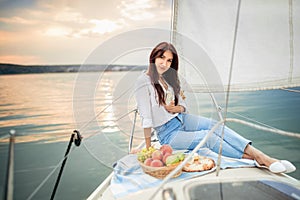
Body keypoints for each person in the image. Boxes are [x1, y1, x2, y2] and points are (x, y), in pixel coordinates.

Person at [134, 41, 296, 174]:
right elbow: (146, 118)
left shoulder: (167, 78)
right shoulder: (144, 81)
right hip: (168, 133)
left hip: (181, 119)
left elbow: (183, 104)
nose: (164, 63)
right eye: (162, 58)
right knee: (208, 137)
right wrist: (149, 149)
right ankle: (260, 160)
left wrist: (177, 109)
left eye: (169, 60)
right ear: (154, 56)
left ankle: (262, 157)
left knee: (216, 125)